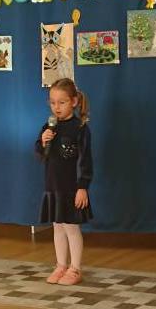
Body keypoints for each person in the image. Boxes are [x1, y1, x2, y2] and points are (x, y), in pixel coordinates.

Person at [35, 77, 93, 285]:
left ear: (74, 102)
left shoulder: (80, 128)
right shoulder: (48, 126)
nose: (56, 107)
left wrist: (82, 187)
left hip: (71, 187)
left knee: (71, 227)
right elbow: (40, 154)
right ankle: (61, 265)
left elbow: (85, 160)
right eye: (52, 102)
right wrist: (43, 142)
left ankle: (75, 268)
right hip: (53, 186)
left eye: (62, 102)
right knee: (57, 226)